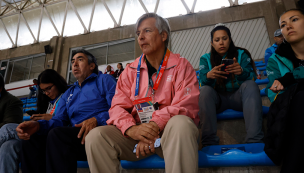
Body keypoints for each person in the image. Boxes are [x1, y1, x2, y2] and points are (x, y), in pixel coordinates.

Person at [85, 13, 200, 173]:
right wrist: (132, 129)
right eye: (138, 34)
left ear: (163, 35)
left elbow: (185, 105)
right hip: (136, 136)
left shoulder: (181, 66)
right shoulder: (130, 71)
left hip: (170, 135)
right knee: (96, 136)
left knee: (181, 123)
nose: (141, 37)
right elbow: (117, 108)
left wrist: (153, 127)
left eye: (147, 31)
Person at [17, 49, 116, 173]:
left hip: (99, 133)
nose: (74, 64)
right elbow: (59, 120)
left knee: (57, 135)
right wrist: (37, 126)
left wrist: (97, 119)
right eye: (73, 61)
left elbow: (117, 108)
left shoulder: (104, 80)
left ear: (92, 66)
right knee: (31, 139)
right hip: (75, 137)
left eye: (80, 60)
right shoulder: (69, 92)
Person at [198, 23, 264, 147]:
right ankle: (209, 143)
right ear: (212, 43)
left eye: (224, 38)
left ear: (230, 39)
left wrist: (241, 72)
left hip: (239, 98)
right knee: (205, 90)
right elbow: (202, 80)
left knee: (250, 85)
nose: (221, 43)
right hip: (218, 100)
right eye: (217, 40)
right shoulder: (205, 58)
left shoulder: (242, 54)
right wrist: (209, 76)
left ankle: (255, 140)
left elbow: (252, 77)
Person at [0, 69, 69, 173]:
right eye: (43, 90)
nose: (46, 93)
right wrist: (39, 118)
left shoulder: (68, 97)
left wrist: (48, 118)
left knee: (7, 128)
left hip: (50, 135)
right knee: (8, 146)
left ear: (57, 83)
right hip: (38, 134)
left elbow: (65, 120)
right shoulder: (47, 101)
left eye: (49, 88)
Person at [264, 9, 304, 172]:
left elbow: (284, 83)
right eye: (283, 25)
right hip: (292, 109)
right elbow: (274, 94)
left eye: (294, 20)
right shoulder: (274, 58)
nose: (288, 26)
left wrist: (289, 78)